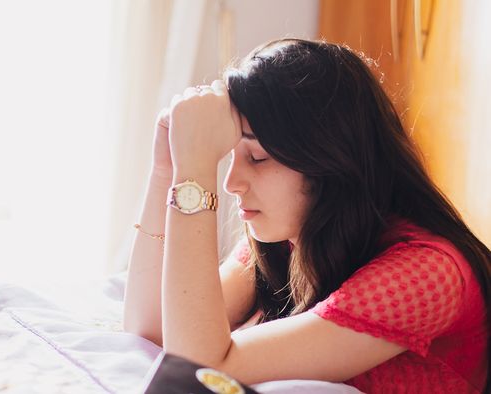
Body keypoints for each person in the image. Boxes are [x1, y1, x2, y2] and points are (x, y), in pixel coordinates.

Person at [123, 38, 490, 393]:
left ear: (327, 160)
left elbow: (198, 372)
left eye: (258, 158)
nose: (232, 183)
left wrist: (195, 170)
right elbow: (149, 330)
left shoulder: (427, 272)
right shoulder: (294, 234)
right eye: (230, 156)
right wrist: (164, 170)